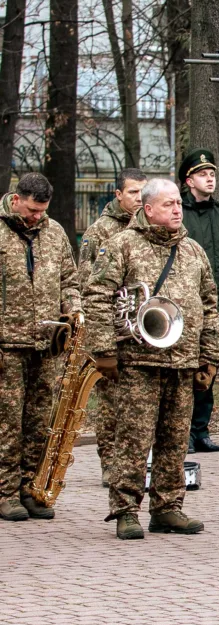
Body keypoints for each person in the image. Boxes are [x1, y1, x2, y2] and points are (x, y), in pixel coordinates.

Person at [84, 178, 219, 540]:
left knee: (175, 440)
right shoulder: (122, 246)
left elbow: (210, 306)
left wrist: (210, 356)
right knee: (133, 439)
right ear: (148, 209)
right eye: (169, 205)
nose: (178, 209)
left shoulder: (193, 251)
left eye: (179, 203)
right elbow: (96, 296)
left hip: (183, 362)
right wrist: (103, 351)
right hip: (138, 362)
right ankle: (126, 509)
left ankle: (167, 508)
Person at [0, 173, 80, 522]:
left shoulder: (55, 232)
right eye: (32, 210)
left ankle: (32, 489)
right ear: (16, 199)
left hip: (47, 344)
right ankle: (5, 493)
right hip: (6, 344)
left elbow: (69, 279)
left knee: (38, 423)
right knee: (7, 423)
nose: (37, 217)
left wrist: (74, 308)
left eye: (42, 211)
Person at [78, 168, 147, 487]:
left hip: (144, 330)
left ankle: (137, 464)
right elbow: (85, 283)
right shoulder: (100, 231)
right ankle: (109, 463)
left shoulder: (149, 226)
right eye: (133, 192)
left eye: (142, 192)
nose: (138, 198)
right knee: (111, 404)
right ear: (118, 195)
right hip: (113, 329)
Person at [178, 148, 219, 454]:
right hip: (182, 311)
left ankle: (201, 430)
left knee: (208, 373)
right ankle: (183, 434)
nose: (210, 179)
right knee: (184, 374)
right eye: (203, 174)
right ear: (189, 180)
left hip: (216, 309)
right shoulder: (178, 213)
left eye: (213, 174)